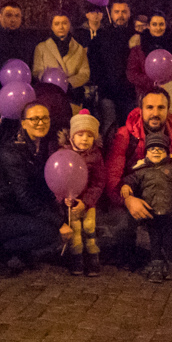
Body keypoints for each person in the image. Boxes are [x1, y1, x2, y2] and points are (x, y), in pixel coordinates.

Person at [102, 89, 172, 266]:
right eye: (150, 107)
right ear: (141, 109)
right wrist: (128, 200)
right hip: (136, 194)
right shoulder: (124, 135)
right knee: (120, 223)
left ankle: (171, 245)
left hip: (169, 195)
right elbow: (112, 177)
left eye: (161, 107)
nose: (155, 113)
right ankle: (129, 248)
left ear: (168, 109)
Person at [0, 101, 63, 275]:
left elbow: (40, 184)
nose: (41, 122)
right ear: (23, 123)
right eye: (34, 119)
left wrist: (59, 204)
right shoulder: (12, 153)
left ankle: (23, 251)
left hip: (14, 209)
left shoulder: (41, 146)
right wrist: (59, 222)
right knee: (50, 232)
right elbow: (24, 195)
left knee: (54, 219)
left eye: (45, 117)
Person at [120, 133, 172, 282]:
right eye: (152, 148)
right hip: (152, 215)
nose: (156, 151)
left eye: (160, 149)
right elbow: (131, 179)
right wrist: (126, 187)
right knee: (154, 243)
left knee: (171, 241)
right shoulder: (142, 170)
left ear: (167, 151)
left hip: (170, 215)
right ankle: (156, 267)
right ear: (146, 152)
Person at [63, 110, 106, 275]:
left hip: (88, 203)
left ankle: (93, 257)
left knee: (89, 228)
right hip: (71, 202)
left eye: (89, 136)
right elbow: (57, 179)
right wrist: (63, 198)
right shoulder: (64, 154)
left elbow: (99, 181)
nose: (84, 139)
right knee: (75, 231)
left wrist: (87, 201)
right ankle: (76, 259)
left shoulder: (95, 156)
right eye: (80, 134)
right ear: (72, 136)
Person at [87, 0, 135, 131]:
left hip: (129, 92)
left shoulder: (136, 36)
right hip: (107, 91)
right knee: (110, 128)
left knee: (130, 127)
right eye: (117, 12)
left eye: (124, 12)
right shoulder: (101, 37)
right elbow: (94, 63)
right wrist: (100, 82)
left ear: (129, 13)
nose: (120, 15)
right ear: (111, 14)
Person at [33, 11, 91, 95]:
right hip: (49, 94)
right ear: (52, 27)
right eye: (57, 24)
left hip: (73, 95)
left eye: (64, 23)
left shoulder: (79, 49)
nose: (61, 27)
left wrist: (69, 83)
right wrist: (52, 80)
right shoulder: (41, 48)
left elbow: (85, 73)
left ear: (69, 25)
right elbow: (37, 71)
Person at [127, 12, 172, 100]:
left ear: (165, 25)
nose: (158, 28)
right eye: (154, 24)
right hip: (146, 94)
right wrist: (152, 82)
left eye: (161, 24)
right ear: (148, 26)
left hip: (171, 93)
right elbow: (132, 74)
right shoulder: (139, 47)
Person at [0, 2, 43, 72]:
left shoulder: (28, 40)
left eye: (17, 16)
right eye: (9, 15)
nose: (13, 20)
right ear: (0, 17)